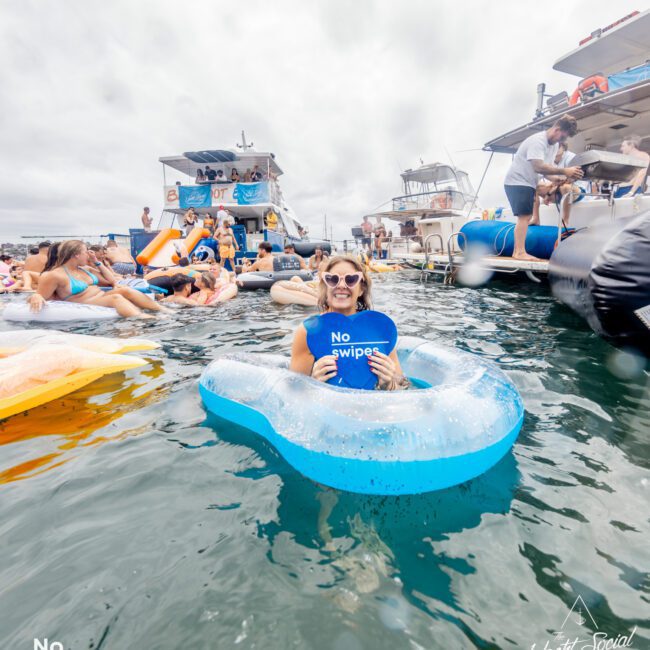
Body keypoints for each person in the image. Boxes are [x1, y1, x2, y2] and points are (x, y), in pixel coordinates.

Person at [290, 255, 407, 390]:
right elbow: (294, 391)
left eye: (351, 280)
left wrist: (388, 384)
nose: (341, 285)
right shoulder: (308, 332)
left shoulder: (378, 328)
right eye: (332, 280)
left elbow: (403, 386)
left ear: (361, 289)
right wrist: (314, 383)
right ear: (325, 286)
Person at [503, 114, 584, 260]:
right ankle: (519, 252)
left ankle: (519, 250)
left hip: (528, 182)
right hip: (517, 181)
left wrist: (558, 179)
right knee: (525, 217)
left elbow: (546, 171)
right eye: (562, 138)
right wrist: (564, 171)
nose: (562, 141)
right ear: (557, 129)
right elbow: (538, 166)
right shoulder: (538, 141)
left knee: (526, 217)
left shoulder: (553, 146)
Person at [28, 240, 167, 318]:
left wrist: (96, 262)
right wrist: (36, 296)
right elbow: (39, 295)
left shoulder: (85, 269)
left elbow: (111, 280)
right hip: (85, 302)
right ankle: (145, 319)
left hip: (101, 296)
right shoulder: (55, 275)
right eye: (85, 253)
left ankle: (165, 311)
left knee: (125, 290)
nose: (88, 255)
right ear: (76, 254)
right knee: (116, 298)